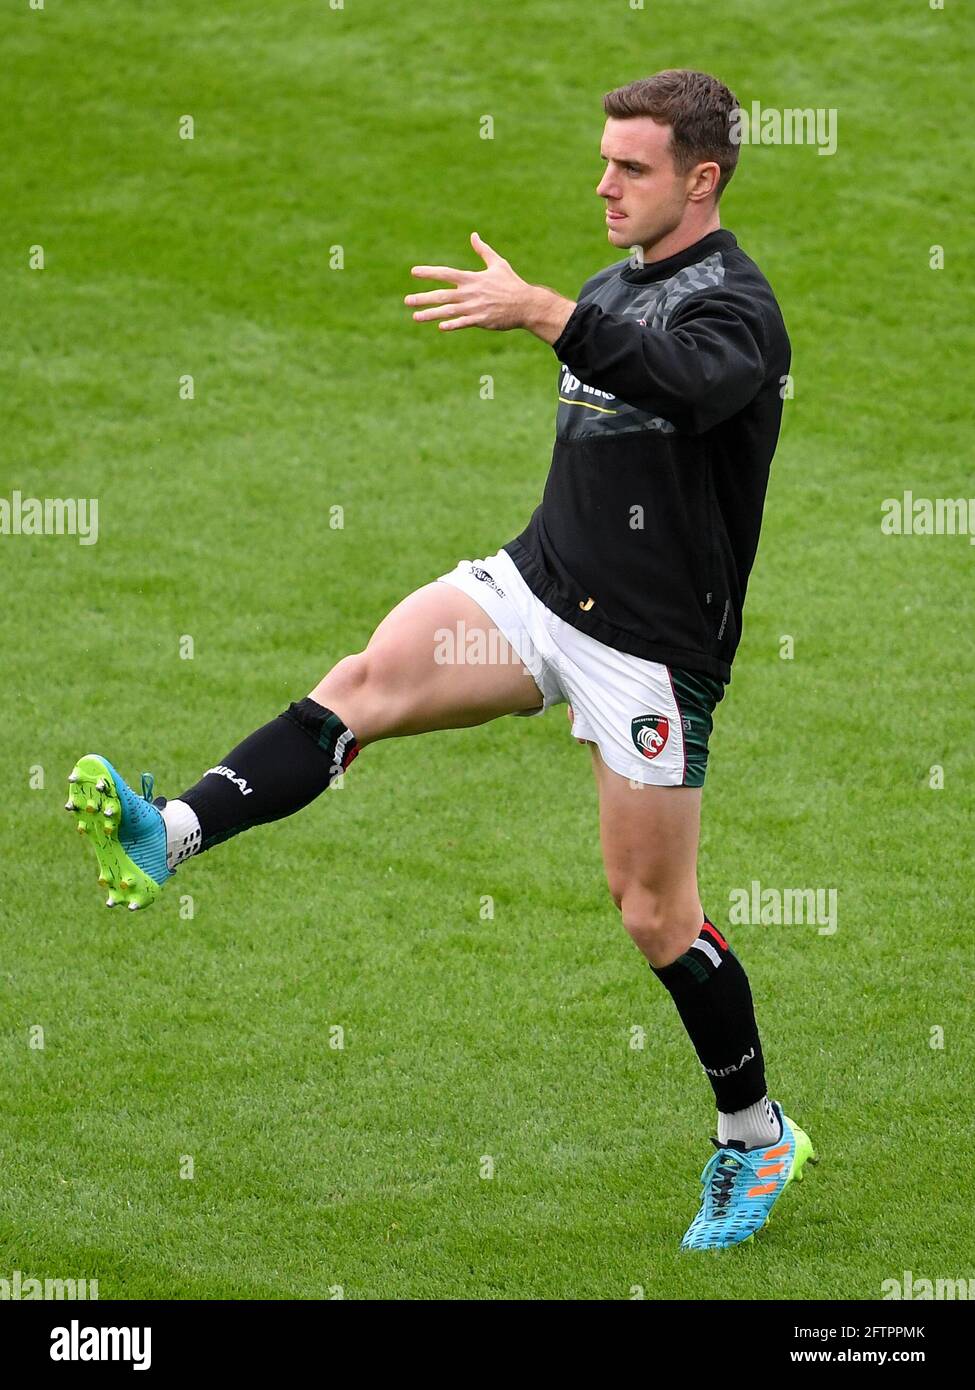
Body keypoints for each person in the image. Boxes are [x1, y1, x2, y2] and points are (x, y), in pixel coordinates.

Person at [65, 68, 815, 1251]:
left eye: (633, 167)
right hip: (538, 588)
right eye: (604, 159)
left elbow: (690, 384)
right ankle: (173, 827)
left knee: (656, 916)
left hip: (650, 659)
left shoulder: (738, 308)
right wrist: (566, 316)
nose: (605, 184)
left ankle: (755, 1133)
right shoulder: (617, 282)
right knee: (361, 683)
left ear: (702, 179)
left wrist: (545, 315)